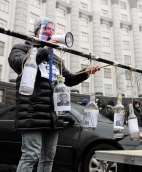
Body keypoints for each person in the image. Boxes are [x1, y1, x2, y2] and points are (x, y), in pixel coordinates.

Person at [8, 16, 100, 172]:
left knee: (48, 156)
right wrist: (45, 50)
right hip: (32, 112)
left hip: (52, 114)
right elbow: (18, 64)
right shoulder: (22, 48)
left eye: (52, 29)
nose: (51, 32)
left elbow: (69, 79)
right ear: (37, 31)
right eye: (47, 29)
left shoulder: (56, 59)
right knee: (31, 154)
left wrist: (85, 72)